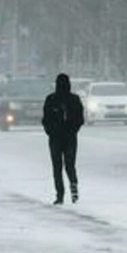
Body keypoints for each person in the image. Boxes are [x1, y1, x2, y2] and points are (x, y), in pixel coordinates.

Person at [42, 73, 85, 205]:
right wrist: (73, 130)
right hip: (69, 138)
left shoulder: (51, 99)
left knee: (57, 167)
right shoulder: (74, 99)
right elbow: (80, 119)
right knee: (70, 165)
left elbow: (46, 119)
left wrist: (51, 131)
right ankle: (73, 186)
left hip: (56, 138)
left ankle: (60, 195)